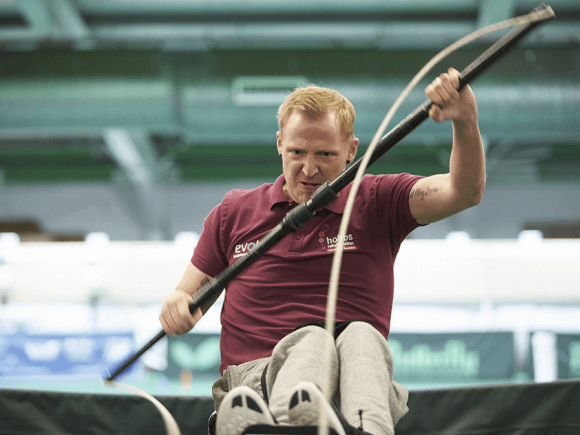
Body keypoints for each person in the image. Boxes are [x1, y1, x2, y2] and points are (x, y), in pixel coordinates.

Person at [159, 67, 485, 435]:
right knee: (312, 339)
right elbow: (187, 297)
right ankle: (289, 425)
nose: (309, 169)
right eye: (297, 151)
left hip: (353, 389)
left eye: (326, 154)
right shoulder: (233, 213)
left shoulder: (377, 201)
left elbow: (464, 191)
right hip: (254, 390)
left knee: (362, 336)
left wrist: (465, 120)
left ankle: (369, 428)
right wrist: (176, 307)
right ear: (279, 142)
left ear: (351, 150)